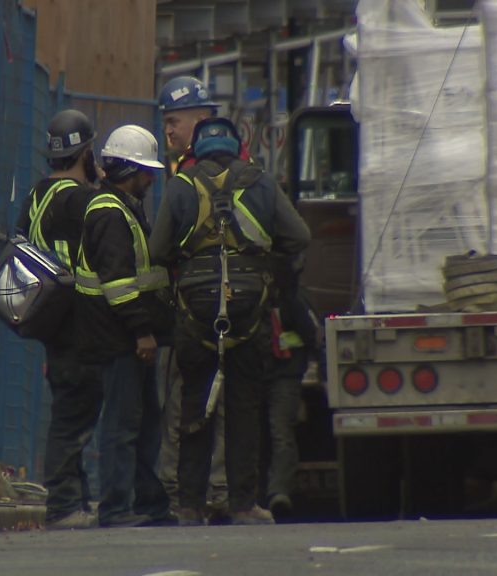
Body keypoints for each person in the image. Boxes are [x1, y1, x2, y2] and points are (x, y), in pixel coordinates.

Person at [149, 117, 310, 526]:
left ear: (197, 149)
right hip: (247, 314)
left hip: (194, 315)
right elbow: (300, 237)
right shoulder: (261, 182)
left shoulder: (182, 186)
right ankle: (242, 504)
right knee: (243, 408)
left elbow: (157, 248)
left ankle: (189, 506)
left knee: (194, 409)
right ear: (238, 146)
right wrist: (266, 261)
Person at [75, 125, 174, 528]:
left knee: (145, 422)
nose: (150, 179)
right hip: (121, 340)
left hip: (127, 338)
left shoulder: (123, 208)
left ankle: (149, 502)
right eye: (146, 171)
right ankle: (116, 507)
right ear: (129, 170)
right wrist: (142, 332)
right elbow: (118, 284)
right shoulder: (109, 213)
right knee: (123, 425)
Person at [15, 109, 103, 530]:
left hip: (52, 322)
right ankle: (65, 504)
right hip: (79, 323)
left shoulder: (36, 196)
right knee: (73, 417)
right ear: (85, 153)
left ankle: (76, 499)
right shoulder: (81, 199)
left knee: (71, 411)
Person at [155, 74, 230, 521]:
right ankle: (216, 491)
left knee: (187, 401)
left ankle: (180, 492)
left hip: (194, 307)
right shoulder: (237, 166)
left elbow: (161, 248)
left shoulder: (190, 177)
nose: (169, 130)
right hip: (228, 304)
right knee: (218, 401)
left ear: (202, 120)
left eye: (175, 121)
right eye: (166, 122)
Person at [258, 258, 320, 519]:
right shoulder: (251, 301)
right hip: (257, 375)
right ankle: (258, 494)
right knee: (258, 436)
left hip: (284, 375)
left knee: (279, 432)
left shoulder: (295, 300)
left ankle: (277, 492)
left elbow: (311, 335)